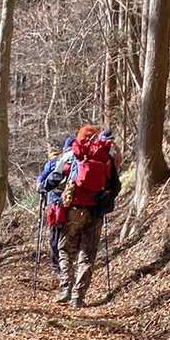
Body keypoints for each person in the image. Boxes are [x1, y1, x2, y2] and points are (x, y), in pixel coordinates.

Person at [51, 124, 121, 308]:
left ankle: (66, 287)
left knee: (65, 249)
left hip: (73, 210)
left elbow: (54, 178)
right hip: (95, 212)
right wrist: (105, 199)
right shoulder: (106, 157)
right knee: (87, 254)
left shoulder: (72, 154)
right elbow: (116, 187)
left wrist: (44, 187)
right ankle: (78, 297)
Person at [37, 135, 74, 275]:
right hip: (71, 202)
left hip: (55, 201)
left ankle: (56, 265)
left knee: (55, 233)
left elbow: (44, 178)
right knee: (66, 233)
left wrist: (41, 187)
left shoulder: (53, 163)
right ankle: (65, 263)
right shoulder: (77, 159)